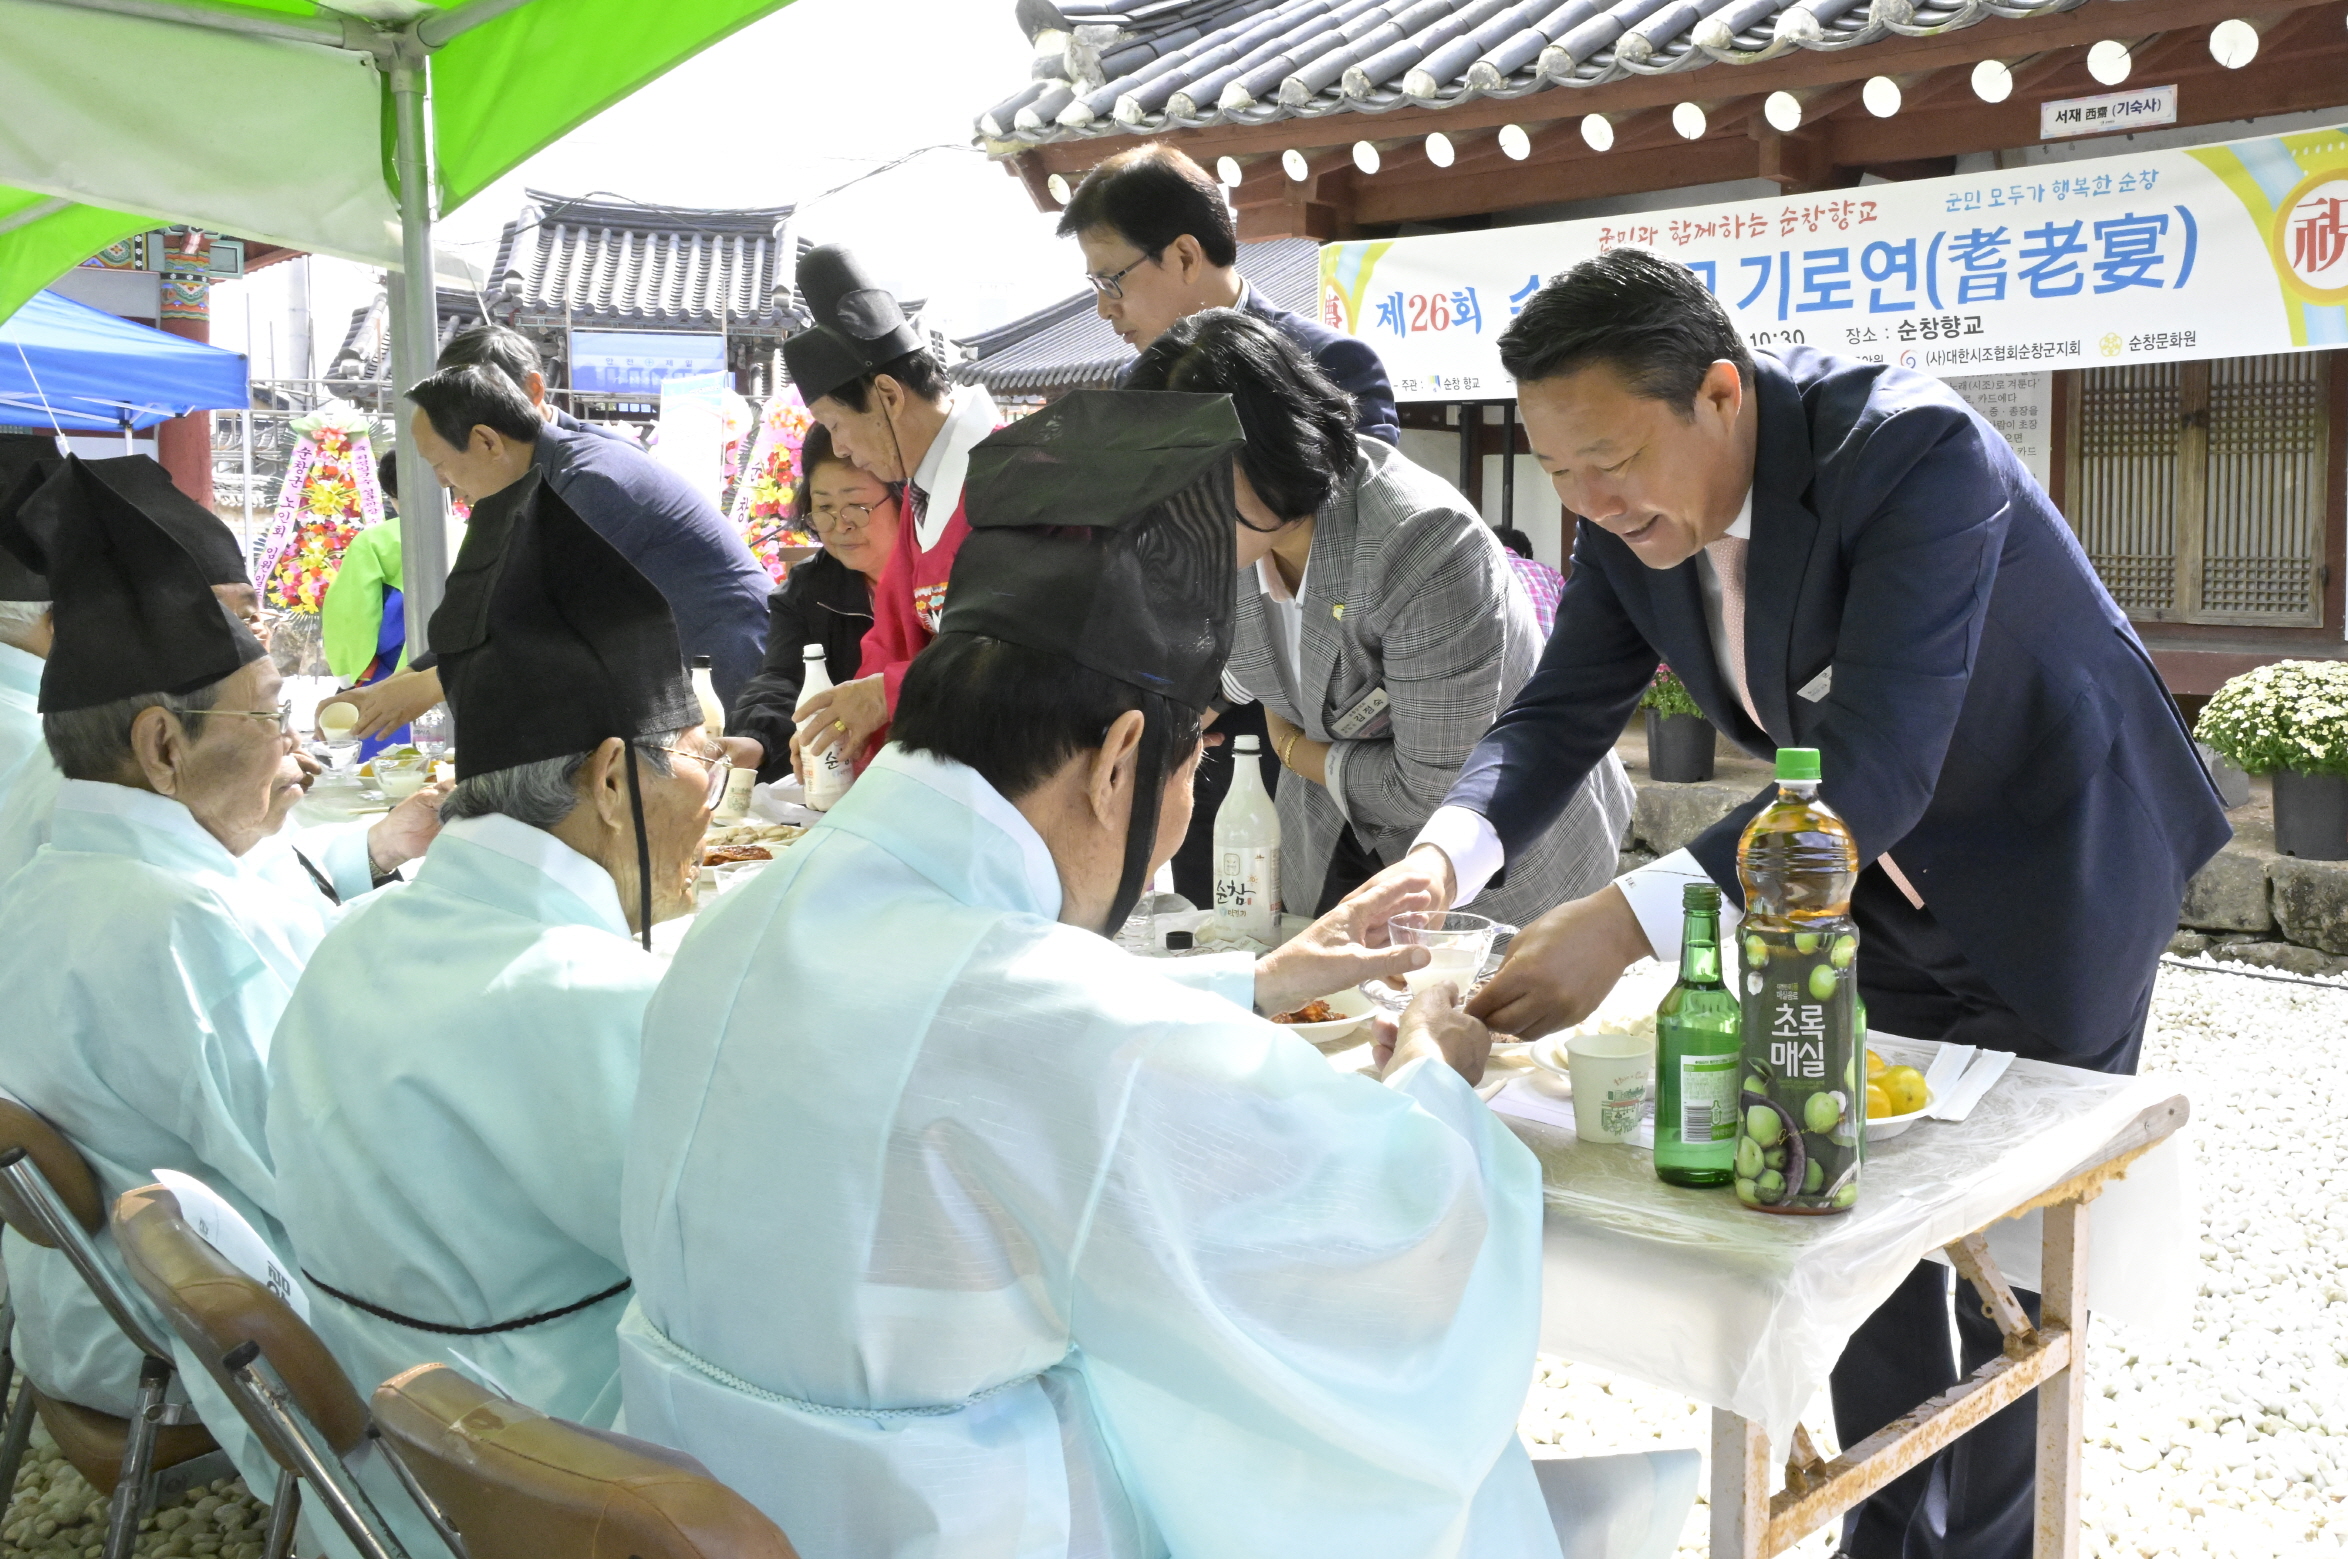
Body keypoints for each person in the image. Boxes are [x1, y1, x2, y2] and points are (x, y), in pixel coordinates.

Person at [1356, 250, 2231, 1559]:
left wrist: (1625, 923)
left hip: (2058, 855)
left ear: (1719, 393)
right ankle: (1882, 1523)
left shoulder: (1913, 449)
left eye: (1609, 460)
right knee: (1832, 1183)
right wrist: (1440, 857)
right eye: (1558, 472)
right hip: (1846, 885)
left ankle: (1986, 1544)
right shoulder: (1633, 519)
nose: (1587, 503)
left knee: (2013, 1252)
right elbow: (1557, 713)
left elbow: (1874, 763)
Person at [618, 392, 1558, 1559]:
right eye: (1187, 779)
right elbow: (1374, 1241)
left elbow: (989, 1039)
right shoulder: (1040, 1013)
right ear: (1119, 758)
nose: (1176, 824)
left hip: (702, 1505)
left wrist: (1253, 982)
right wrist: (1435, 1078)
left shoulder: (753, 914)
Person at [0, 455, 438, 1448]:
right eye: (271, 714)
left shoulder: (60, 862)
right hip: (191, 1334)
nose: (293, 745)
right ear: (163, 746)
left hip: (79, 1305)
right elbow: (323, 1174)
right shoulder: (180, 923)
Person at [268, 472, 717, 1434]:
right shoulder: (593, 995)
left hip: (360, 1442)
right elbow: (728, 1274)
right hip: (530, 1461)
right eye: (695, 754)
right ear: (610, 779)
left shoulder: (353, 934)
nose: (708, 795)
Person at [1127, 309, 1631, 922]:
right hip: (1333, 837)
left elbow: (1430, 787)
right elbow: (1233, 668)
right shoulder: (1231, 539)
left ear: (1277, 449)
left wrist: (1293, 748)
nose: (1176, 512)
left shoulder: (1420, 542)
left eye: (1195, 481)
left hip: (1501, 863)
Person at [329, 325, 772, 733]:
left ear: (486, 437)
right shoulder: (522, 479)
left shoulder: (592, 480)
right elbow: (489, 608)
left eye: (441, 465)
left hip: (722, 657)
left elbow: (542, 620)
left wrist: (428, 687)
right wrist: (398, 683)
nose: (443, 483)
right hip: (666, 667)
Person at [785, 245, 1000, 780]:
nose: (841, 447)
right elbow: (891, 638)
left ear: (887, 394)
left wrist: (886, 695)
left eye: (836, 425)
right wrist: (845, 718)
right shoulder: (923, 490)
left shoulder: (1010, 478)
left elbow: (1021, 652)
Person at [1059, 142, 1399, 448]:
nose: (1104, 309)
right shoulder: (1134, 380)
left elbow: (1364, 494)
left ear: (1185, 257)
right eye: (1096, 284)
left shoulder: (1332, 360)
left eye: (1110, 282)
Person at [725, 424, 898, 785]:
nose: (840, 525)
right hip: (848, 779)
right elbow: (782, 677)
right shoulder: (809, 587)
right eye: (824, 507)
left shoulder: (937, 581)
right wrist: (754, 740)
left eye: (857, 506)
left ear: (902, 500)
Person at [319, 449, 409, 757]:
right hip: (460, 679)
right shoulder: (474, 534)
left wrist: (348, 675)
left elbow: (351, 617)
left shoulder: (375, 542)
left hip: (391, 681)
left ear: (392, 492)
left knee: (385, 770)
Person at [1495, 525, 1566, 637]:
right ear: (1524, 554)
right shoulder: (1549, 572)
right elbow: (1573, 608)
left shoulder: (1486, 567)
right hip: (1554, 643)